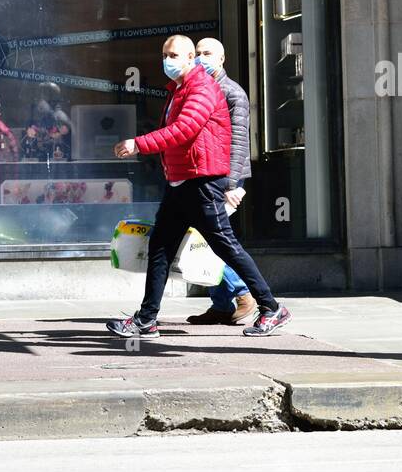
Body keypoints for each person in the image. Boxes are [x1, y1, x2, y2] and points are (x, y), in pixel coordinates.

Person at [105, 34, 290, 340]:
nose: (168, 60)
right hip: (181, 181)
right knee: (160, 247)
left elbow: (184, 129)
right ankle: (146, 320)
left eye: (175, 55)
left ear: (190, 58)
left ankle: (271, 308)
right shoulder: (178, 90)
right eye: (166, 54)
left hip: (202, 182)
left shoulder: (202, 88)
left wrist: (138, 145)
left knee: (225, 247)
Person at [185, 37, 257, 325]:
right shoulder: (196, 90)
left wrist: (232, 184)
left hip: (223, 179)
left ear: (221, 58)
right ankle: (222, 303)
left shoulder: (231, 93)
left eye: (207, 53)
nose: (202, 58)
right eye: (198, 53)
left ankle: (242, 293)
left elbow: (238, 142)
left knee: (213, 240)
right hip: (201, 176)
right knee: (205, 239)